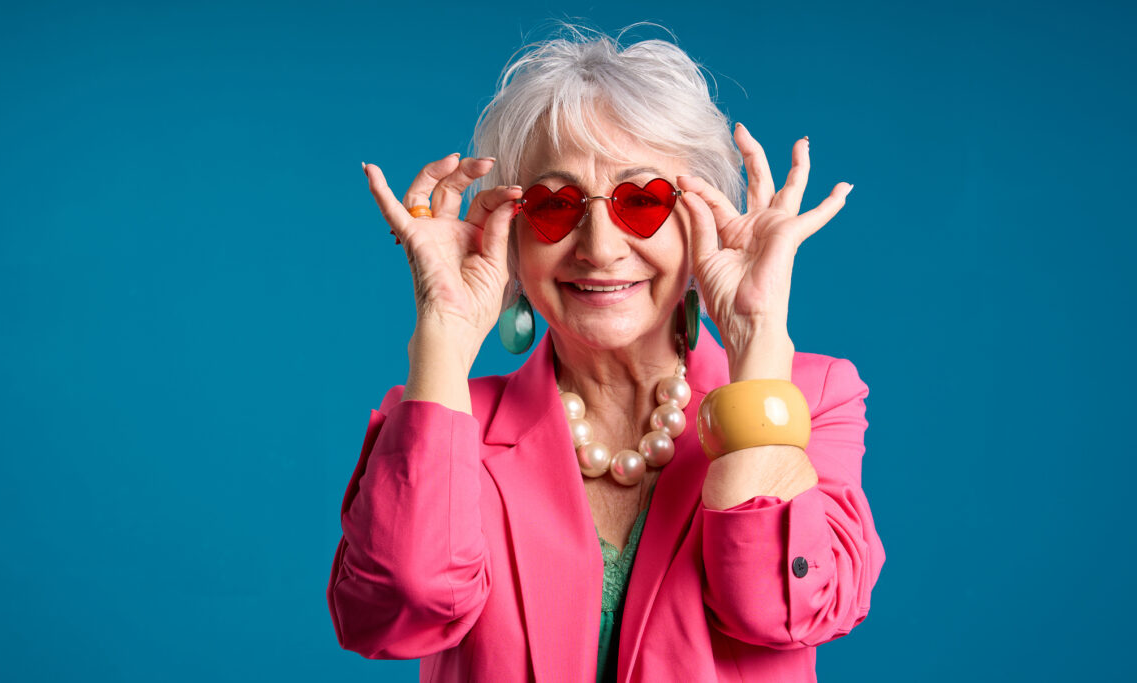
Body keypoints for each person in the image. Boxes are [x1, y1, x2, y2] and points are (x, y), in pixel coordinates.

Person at [327, 26, 885, 682]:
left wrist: (757, 335)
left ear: (704, 218)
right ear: (510, 233)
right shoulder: (446, 421)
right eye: (555, 204)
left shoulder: (814, 399)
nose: (599, 245)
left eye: (642, 201)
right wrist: (445, 334)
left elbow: (787, 612)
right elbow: (395, 611)